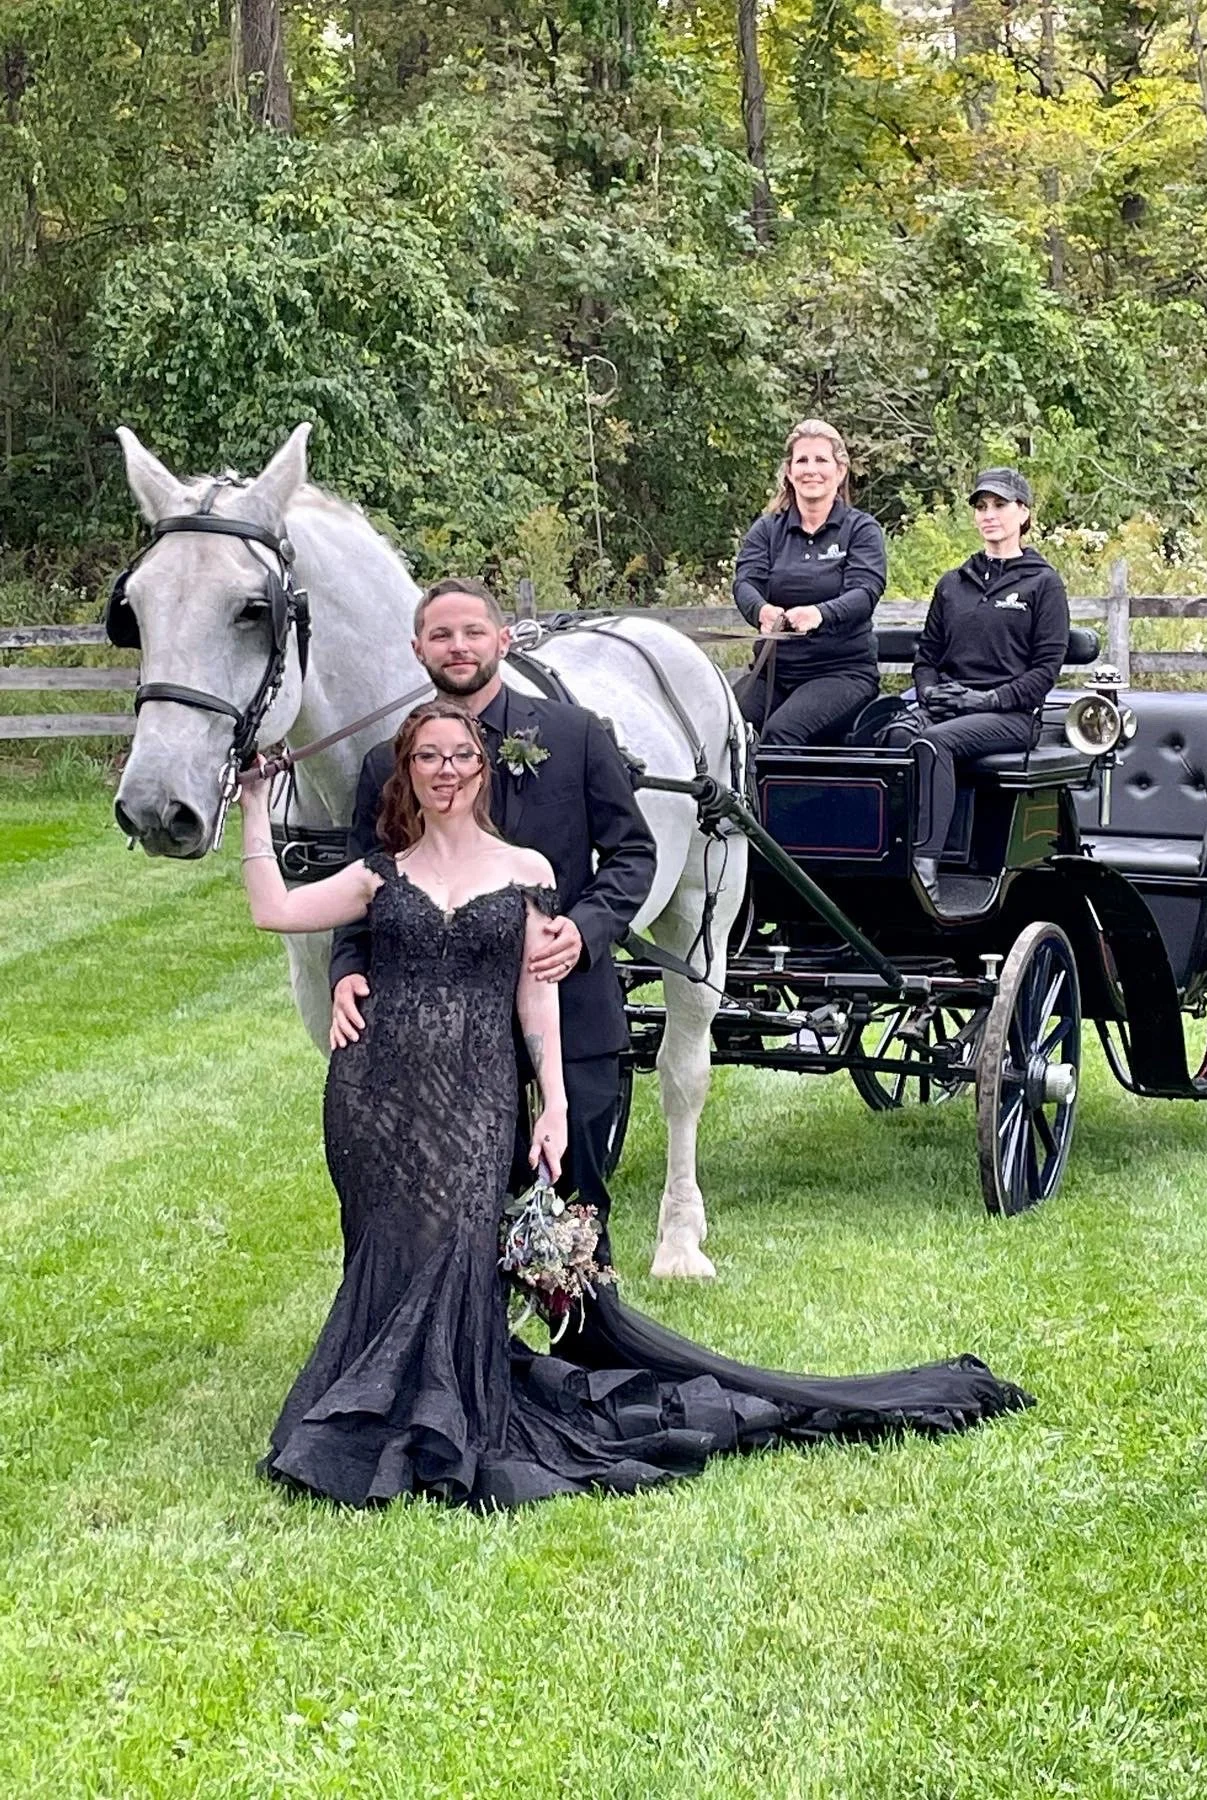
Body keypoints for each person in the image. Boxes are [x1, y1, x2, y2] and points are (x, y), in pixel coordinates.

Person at [238, 701, 1030, 1510]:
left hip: (477, 1099)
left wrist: (549, 1105)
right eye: (429, 759)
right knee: (387, 1251)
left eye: (460, 757)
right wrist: (254, 812)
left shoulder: (528, 872)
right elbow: (275, 910)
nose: (446, 771)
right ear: (407, 772)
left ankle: (447, 1418)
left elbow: (533, 998)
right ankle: (376, 1411)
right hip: (376, 1098)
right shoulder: (379, 873)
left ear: (481, 770)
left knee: (456, 1251)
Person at [329, 577, 656, 1263]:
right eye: (441, 634)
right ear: (416, 647)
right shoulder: (384, 765)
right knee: (452, 1219)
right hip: (443, 1038)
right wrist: (347, 971)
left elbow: (632, 853)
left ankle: (582, 1358)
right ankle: (476, 1358)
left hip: (569, 1009)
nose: (458, 646)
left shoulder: (576, 736)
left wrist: (585, 930)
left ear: (502, 640)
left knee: (576, 1216)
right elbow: (364, 887)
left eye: (473, 631)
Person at [887, 469, 1070, 897]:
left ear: (1023, 512)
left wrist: (987, 699)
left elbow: (1044, 672)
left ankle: (923, 869)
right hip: (947, 704)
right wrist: (930, 691)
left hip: (1011, 715)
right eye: (982, 507)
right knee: (895, 735)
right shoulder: (953, 583)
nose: (990, 515)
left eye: (1000, 505)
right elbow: (927, 657)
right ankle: (886, 858)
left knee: (934, 743)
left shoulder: (1043, 583)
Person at [732, 419, 887, 746]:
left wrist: (819, 614)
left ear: (840, 470)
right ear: (789, 471)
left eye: (821, 460)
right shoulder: (767, 529)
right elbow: (746, 581)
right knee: (726, 725)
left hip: (842, 674)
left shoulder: (861, 529)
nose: (810, 469)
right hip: (773, 674)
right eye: (802, 461)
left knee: (781, 732)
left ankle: (775, 799)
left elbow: (865, 591)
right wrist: (761, 611)